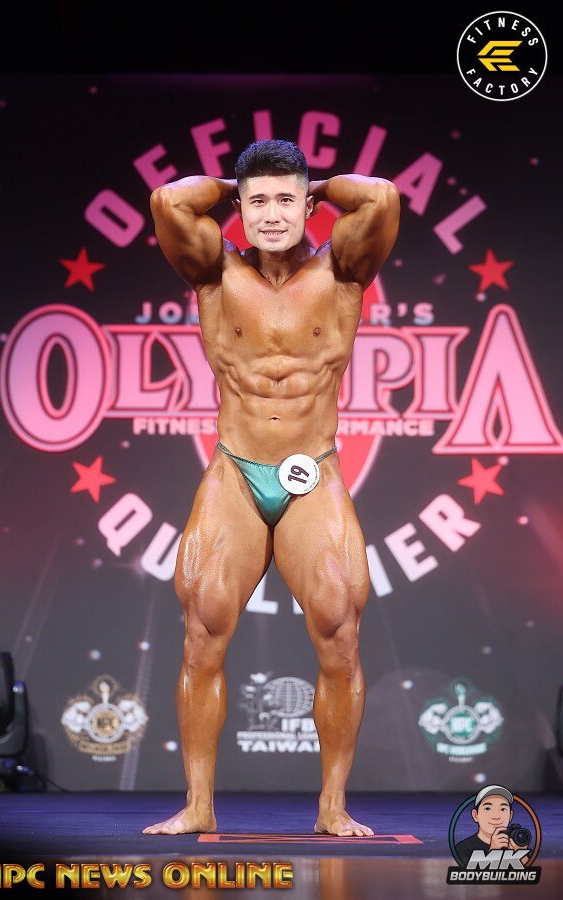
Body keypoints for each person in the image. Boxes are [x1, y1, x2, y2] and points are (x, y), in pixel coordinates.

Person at [143, 140, 400, 836]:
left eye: (287, 199)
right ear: (240, 208)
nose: (272, 214)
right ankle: (198, 805)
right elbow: (167, 201)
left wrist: (319, 184)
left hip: (312, 471)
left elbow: (381, 197)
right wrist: (233, 185)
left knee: (340, 632)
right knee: (202, 633)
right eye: (258, 202)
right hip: (236, 469)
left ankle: (332, 807)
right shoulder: (213, 270)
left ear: (309, 204)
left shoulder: (342, 270)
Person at [455, 785, 531, 867]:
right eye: (488, 808)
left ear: (510, 815)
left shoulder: (515, 843)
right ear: (475, 815)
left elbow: (531, 872)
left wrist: (521, 854)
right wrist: (493, 852)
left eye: (503, 809)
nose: (496, 816)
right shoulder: (463, 848)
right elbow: (470, 873)